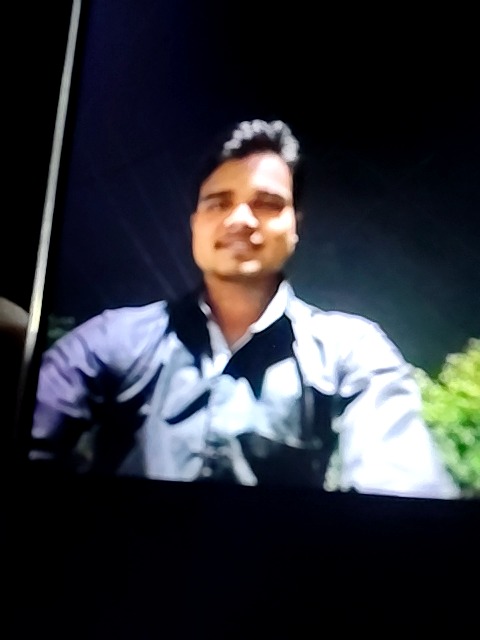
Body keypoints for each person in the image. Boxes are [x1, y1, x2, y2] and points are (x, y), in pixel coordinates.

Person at [30, 119, 458, 498]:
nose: (241, 220)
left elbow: (402, 489)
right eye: (218, 202)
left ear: (295, 225)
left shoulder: (350, 353)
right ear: (195, 224)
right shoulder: (110, 341)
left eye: (267, 203)